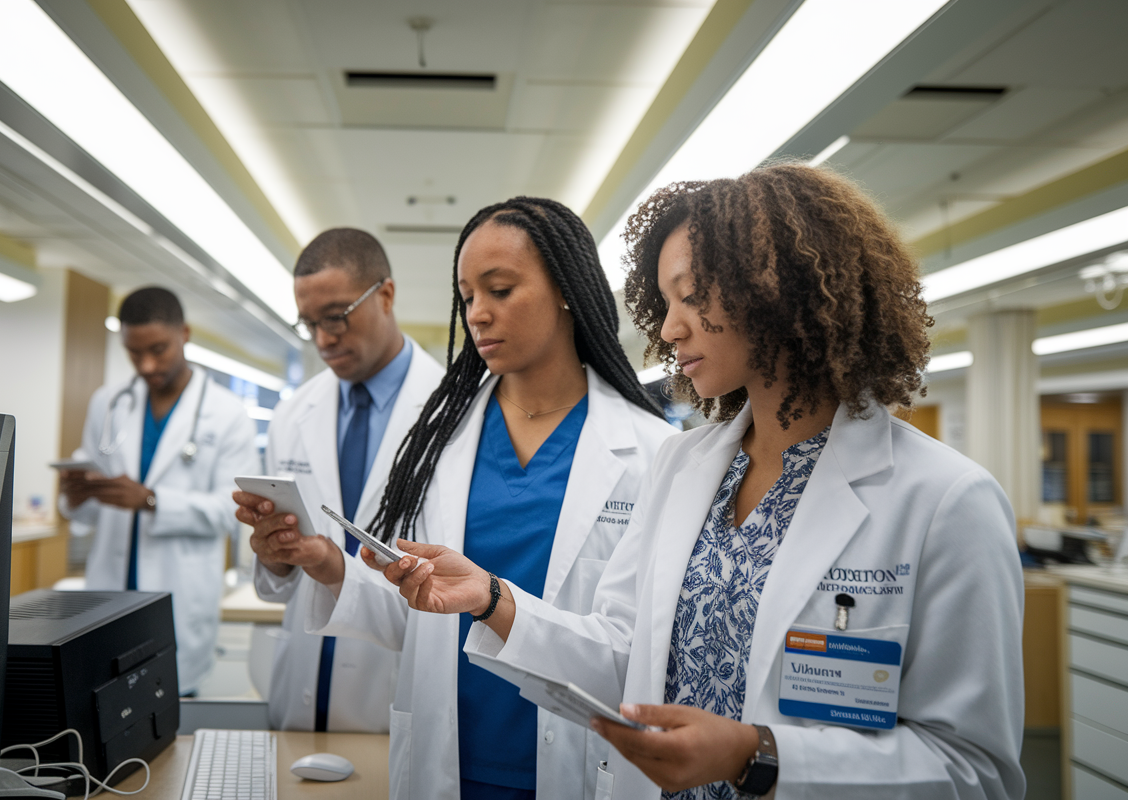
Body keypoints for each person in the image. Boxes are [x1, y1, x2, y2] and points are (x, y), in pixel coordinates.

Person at [378, 165, 1026, 799]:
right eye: (664, 302)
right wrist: (491, 598)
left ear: (777, 291)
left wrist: (757, 757)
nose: (667, 327)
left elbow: (976, 770)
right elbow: (623, 657)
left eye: (690, 296)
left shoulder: (944, 502)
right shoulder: (683, 467)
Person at [239, 197, 677, 800]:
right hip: (447, 760)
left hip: (575, 762)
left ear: (569, 290)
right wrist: (326, 561)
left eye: (500, 290)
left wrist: (493, 599)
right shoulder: (438, 437)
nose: (478, 315)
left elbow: (640, 652)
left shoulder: (653, 452)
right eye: (467, 297)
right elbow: (419, 612)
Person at [234, 228, 444, 732]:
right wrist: (275, 555)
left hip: (394, 687)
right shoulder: (294, 413)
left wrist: (337, 566)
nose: (324, 338)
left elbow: (454, 580)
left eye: (336, 317)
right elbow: (279, 588)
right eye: (309, 324)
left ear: (386, 295)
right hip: (303, 680)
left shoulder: (455, 414)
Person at [60, 286, 259, 695]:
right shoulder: (109, 402)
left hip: (178, 595)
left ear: (184, 333)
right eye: (134, 353)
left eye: (159, 349)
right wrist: (77, 498)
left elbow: (231, 509)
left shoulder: (226, 414)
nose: (147, 364)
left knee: (169, 713)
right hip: (110, 590)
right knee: (101, 704)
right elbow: (93, 504)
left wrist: (152, 501)